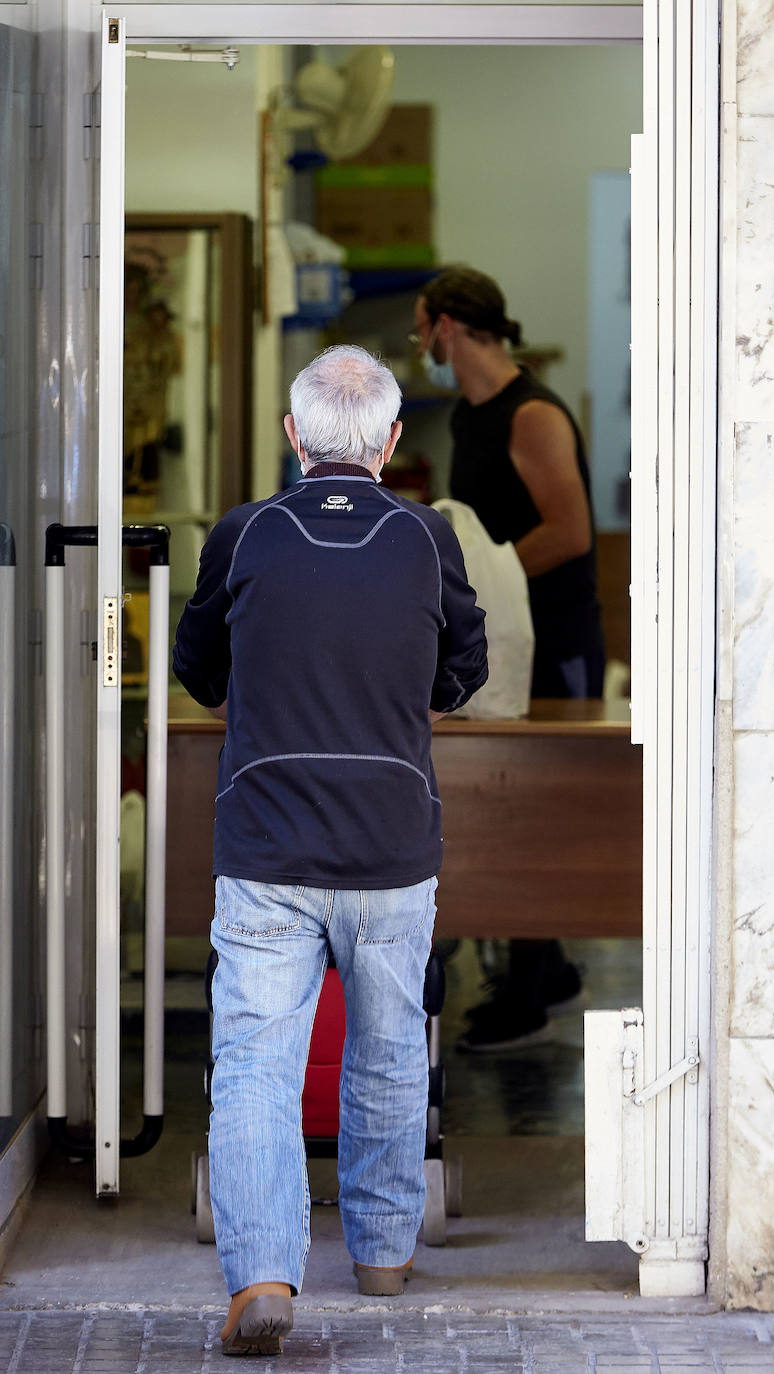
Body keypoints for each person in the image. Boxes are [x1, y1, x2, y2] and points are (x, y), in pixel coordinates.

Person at [173, 345, 487, 1357]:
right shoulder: (425, 536)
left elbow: (196, 672)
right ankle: (384, 1255)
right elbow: (462, 673)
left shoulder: (245, 533)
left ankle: (262, 1276)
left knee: (256, 1063)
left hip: (266, 842)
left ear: (292, 436)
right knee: (390, 1051)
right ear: (393, 441)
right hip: (392, 843)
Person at [411, 267, 604, 1053]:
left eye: (422, 325)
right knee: (506, 788)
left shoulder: (534, 415)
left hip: (552, 639)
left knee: (539, 799)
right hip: (497, 635)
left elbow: (571, 532)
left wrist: (487, 585)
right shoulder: (468, 415)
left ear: (448, 326)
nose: (417, 341)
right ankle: (546, 963)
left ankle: (528, 989)